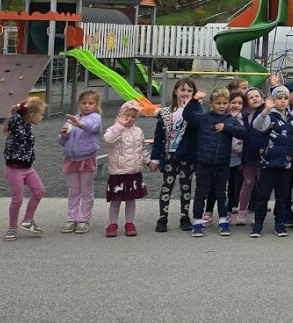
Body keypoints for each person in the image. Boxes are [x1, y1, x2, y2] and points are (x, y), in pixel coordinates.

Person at [185, 87, 247, 237]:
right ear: (211, 103)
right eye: (218, 103)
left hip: (222, 164)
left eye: (224, 103)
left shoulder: (230, 120)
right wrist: (194, 100)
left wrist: (226, 128)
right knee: (200, 193)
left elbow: (243, 132)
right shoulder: (203, 118)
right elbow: (187, 115)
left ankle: (223, 221)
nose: (221, 106)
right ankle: (198, 222)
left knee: (221, 194)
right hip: (203, 163)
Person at [250, 87, 293, 238]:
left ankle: (280, 224)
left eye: (285, 98)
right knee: (263, 196)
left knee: (282, 197)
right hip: (269, 163)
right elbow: (257, 126)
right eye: (279, 98)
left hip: (285, 164)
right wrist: (265, 111)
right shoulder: (269, 117)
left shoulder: (292, 119)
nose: (282, 101)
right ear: (273, 100)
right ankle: (258, 225)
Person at [151, 78, 198, 233]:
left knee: (186, 186)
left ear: (194, 94)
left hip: (187, 156)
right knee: (167, 185)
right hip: (169, 154)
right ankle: (162, 217)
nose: (185, 93)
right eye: (182, 90)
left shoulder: (197, 111)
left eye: (189, 91)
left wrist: (189, 111)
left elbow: (199, 127)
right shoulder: (165, 112)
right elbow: (158, 136)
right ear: (176, 91)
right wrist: (155, 158)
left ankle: (185, 217)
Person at [102, 102, 150, 237]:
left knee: (131, 199)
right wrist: (120, 126)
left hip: (133, 172)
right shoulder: (113, 129)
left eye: (133, 116)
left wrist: (148, 161)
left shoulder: (138, 131)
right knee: (116, 200)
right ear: (119, 115)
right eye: (126, 115)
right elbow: (108, 140)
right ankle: (112, 224)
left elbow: (142, 149)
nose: (129, 118)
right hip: (118, 171)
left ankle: (129, 223)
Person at [57, 89, 102, 234]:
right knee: (73, 191)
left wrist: (79, 123)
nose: (87, 106)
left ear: (96, 104)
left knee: (86, 191)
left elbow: (93, 127)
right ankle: (71, 219)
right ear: (79, 104)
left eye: (90, 103)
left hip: (87, 158)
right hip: (71, 159)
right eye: (84, 103)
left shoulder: (95, 117)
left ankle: (84, 220)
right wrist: (63, 135)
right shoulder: (73, 119)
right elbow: (61, 141)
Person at [3, 97, 46, 241]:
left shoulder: (27, 125)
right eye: (41, 114)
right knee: (17, 199)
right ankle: (12, 228)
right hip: (14, 169)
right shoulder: (17, 123)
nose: (42, 116)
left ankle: (28, 220)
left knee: (39, 191)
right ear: (32, 114)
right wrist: (23, 107)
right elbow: (14, 118)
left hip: (27, 168)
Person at [235, 87, 267, 226]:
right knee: (247, 183)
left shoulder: (266, 113)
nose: (254, 98)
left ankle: (259, 213)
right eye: (251, 97)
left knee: (262, 184)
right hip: (248, 155)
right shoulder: (242, 115)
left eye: (257, 96)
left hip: (263, 155)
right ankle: (242, 211)